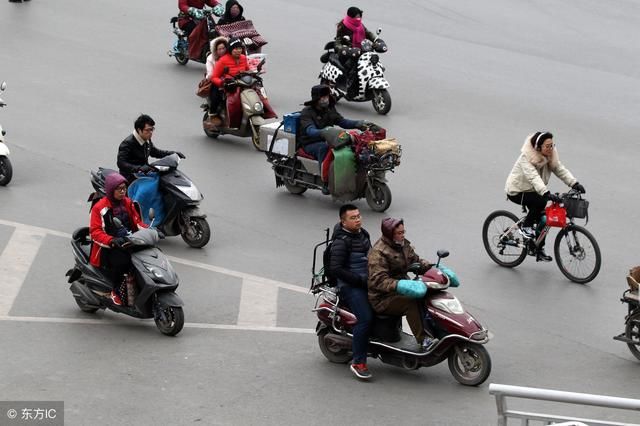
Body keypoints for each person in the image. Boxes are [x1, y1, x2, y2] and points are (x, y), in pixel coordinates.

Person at [505, 131, 586, 262]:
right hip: (517, 190)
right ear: (538, 147)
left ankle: (538, 249)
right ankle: (526, 226)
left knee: (544, 219)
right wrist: (546, 193)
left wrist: (574, 183)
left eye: (552, 145)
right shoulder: (526, 158)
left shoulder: (549, 156)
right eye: (547, 146)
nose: (550, 148)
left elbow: (560, 169)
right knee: (541, 201)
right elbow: (533, 177)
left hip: (534, 190)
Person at [368, 217, 439, 351]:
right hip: (383, 298)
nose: (402, 235)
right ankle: (424, 340)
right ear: (390, 234)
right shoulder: (378, 253)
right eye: (399, 233)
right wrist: (400, 285)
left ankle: (435, 331)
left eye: (403, 232)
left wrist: (432, 269)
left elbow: (415, 260)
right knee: (411, 303)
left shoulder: (402, 244)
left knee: (428, 294)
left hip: (400, 289)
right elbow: (378, 281)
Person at [328, 204, 373, 380]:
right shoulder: (341, 242)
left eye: (359, 216)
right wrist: (360, 281)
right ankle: (358, 362)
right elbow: (336, 269)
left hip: (368, 281)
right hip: (350, 286)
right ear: (343, 221)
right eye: (353, 218)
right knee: (365, 318)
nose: (358, 220)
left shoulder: (364, 234)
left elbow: (371, 256)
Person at [298, 84, 369, 193]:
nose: (326, 99)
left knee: (351, 146)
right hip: (310, 143)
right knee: (324, 148)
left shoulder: (329, 109)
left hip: (327, 138)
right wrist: (323, 132)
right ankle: (325, 182)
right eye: (323, 97)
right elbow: (310, 131)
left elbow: (342, 122)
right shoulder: (307, 112)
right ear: (317, 99)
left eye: (327, 96)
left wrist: (359, 124)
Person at [89, 173, 147, 306]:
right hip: (107, 247)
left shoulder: (128, 202)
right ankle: (115, 291)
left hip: (128, 240)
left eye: (124, 188)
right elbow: (95, 233)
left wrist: (151, 230)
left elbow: (137, 222)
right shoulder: (99, 208)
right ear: (111, 190)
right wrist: (111, 240)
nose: (122, 191)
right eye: (119, 189)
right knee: (125, 261)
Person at [117, 114, 186, 183]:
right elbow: (121, 163)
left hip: (143, 174)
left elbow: (155, 152)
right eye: (148, 130)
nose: (151, 133)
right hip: (130, 178)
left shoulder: (146, 139)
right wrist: (139, 168)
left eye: (152, 129)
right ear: (139, 130)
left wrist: (173, 153)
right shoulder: (127, 144)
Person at [334, 6, 375, 96]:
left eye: (359, 16)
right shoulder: (343, 26)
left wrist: (376, 40)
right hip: (348, 53)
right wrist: (344, 49)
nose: (358, 18)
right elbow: (337, 42)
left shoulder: (360, 25)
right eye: (356, 16)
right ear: (351, 17)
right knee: (350, 66)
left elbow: (368, 33)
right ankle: (345, 84)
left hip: (361, 50)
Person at [207, 37, 249, 121]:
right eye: (236, 48)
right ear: (231, 49)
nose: (238, 51)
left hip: (241, 83)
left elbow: (247, 70)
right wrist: (222, 83)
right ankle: (213, 114)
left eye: (240, 48)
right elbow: (213, 77)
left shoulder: (244, 58)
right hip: (227, 85)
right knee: (216, 95)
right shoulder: (221, 60)